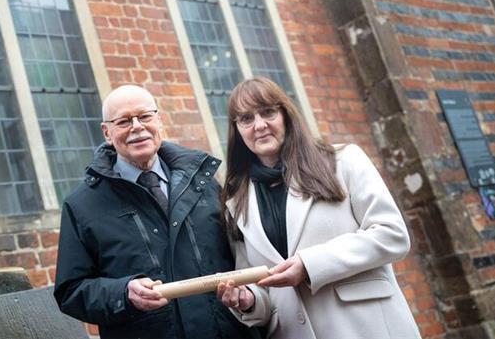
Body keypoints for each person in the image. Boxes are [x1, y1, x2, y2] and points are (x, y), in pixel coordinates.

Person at [215, 77, 421, 339]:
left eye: (267, 112)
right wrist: (249, 300)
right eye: (246, 119)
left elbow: (392, 234)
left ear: (285, 115)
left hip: (367, 327)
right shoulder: (236, 199)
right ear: (237, 129)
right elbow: (261, 288)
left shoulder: (343, 161)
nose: (259, 125)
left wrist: (309, 264)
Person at [54, 85, 258, 339]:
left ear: (159, 121)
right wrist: (123, 293)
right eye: (124, 121)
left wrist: (249, 296)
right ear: (107, 132)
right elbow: (70, 291)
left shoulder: (204, 182)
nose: (137, 126)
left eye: (145, 116)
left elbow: (243, 254)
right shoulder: (82, 205)